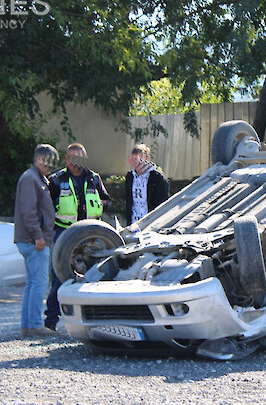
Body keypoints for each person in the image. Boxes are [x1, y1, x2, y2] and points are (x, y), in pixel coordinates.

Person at [44, 142, 112, 331]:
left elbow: (107, 199)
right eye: (72, 158)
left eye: (79, 158)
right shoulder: (56, 180)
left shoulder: (94, 178)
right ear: (66, 159)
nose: (75, 162)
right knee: (59, 276)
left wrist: (100, 204)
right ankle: (51, 320)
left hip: (90, 234)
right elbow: (45, 207)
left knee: (94, 275)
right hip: (64, 233)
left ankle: (95, 320)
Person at [14, 144, 59, 337]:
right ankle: (34, 325)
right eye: (48, 161)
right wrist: (38, 236)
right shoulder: (30, 179)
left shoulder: (35, 178)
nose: (51, 166)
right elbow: (28, 211)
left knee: (33, 283)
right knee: (39, 283)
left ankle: (28, 325)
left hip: (33, 239)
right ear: (40, 159)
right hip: (34, 241)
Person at [125, 144, 170, 226]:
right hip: (133, 223)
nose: (137, 163)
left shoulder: (157, 178)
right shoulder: (130, 177)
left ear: (147, 159)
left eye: (140, 160)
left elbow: (163, 204)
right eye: (135, 160)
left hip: (150, 223)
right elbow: (129, 202)